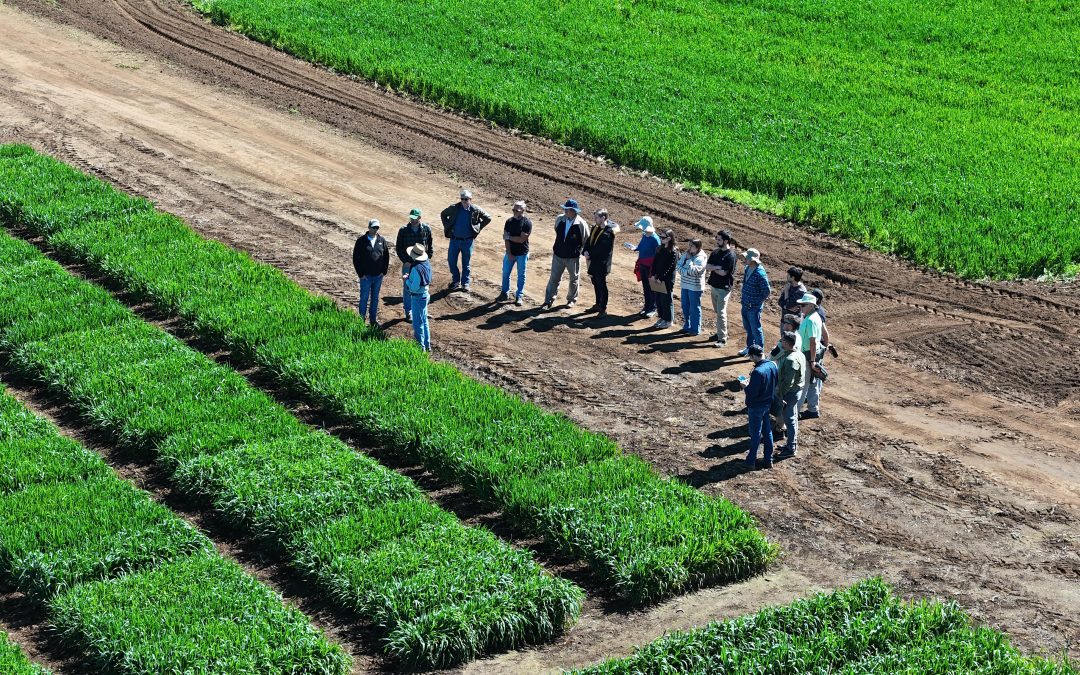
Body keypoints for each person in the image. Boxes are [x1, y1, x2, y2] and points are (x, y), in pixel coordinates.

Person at [440, 189, 491, 292]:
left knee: (466, 263)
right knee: (451, 261)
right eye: (462, 199)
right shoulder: (454, 208)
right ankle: (456, 281)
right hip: (454, 240)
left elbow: (488, 218)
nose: (464, 201)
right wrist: (447, 226)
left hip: (468, 241)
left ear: (470, 199)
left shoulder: (475, 209)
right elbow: (443, 214)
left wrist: (478, 228)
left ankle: (465, 283)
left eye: (466, 199)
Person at [542, 199, 590, 309]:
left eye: (567, 209)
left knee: (574, 279)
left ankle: (571, 300)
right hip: (558, 255)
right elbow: (556, 231)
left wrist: (578, 251)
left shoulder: (581, 224)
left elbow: (586, 239)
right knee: (554, 278)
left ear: (573, 211)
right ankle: (548, 300)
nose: (565, 211)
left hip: (573, 258)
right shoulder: (560, 219)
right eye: (565, 209)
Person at [740, 345, 778, 469]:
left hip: (756, 406)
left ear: (754, 356)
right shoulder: (773, 365)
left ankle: (751, 461)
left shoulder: (757, 371)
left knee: (755, 434)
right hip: (768, 404)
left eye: (750, 357)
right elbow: (775, 382)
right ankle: (768, 460)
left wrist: (745, 386)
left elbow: (752, 393)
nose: (750, 359)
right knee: (767, 432)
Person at [396, 208, 434, 321]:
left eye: (415, 217)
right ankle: (409, 312)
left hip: (422, 264)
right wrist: (406, 261)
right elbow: (399, 248)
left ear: (419, 217)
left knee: (424, 286)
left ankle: (422, 311)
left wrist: (427, 259)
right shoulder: (403, 230)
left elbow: (430, 245)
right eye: (411, 217)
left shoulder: (426, 229)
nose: (412, 220)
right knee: (408, 288)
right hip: (408, 264)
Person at [772, 331, 805, 459]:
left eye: (782, 341)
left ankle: (791, 448)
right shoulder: (798, 354)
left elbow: (788, 383)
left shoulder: (791, 359)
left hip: (789, 393)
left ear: (786, 343)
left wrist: (780, 396)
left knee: (789, 420)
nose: (780, 342)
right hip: (796, 391)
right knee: (793, 418)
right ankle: (791, 445)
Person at [352, 219, 390, 327]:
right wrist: (361, 274)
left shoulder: (381, 240)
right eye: (374, 227)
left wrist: (384, 271)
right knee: (364, 298)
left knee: (375, 298)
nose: (375, 230)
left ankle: (373, 320)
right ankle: (361, 320)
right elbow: (356, 259)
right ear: (368, 227)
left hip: (378, 276)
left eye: (377, 228)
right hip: (366, 277)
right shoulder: (361, 241)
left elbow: (386, 256)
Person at [704, 230, 737, 347]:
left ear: (726, 241)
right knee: (718, 312)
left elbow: (724, 273)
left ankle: (722, 338)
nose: (717, 241)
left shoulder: (731, 255)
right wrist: (716, 268)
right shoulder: (715, 252)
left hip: (724, 288)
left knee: (721, 313)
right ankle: (720, 332)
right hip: (714, 285)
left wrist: (714, 268)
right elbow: (707, 267)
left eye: (719, 239)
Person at [584, 208, 619, 315]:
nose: (595, 219)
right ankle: (598, 304)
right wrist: (585, 250)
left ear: (603, 218)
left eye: (596, 218)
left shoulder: (609, 232)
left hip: (601, 264)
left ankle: (603, 308)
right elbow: (589, 241)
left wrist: (589, 254)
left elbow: (601, 248)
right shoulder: (595, 228)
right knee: (595, 283)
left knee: (601, 285)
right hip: (593, 261)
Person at [624, 216, 661, 317]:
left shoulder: (655, 239)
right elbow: (640, 246)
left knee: (652, 288)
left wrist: (655, 270)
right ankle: (647, 306)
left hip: (651, 267)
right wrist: (635, 248)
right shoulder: (645, 235)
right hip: (643, 265)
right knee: (645, 287)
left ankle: (652, 308)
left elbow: (658, 255)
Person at [738, 248, 771, 356]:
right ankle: (750, 348)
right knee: (748, 328)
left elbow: (766, 291)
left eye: (746, 257)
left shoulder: (760, 273)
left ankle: (759, 352)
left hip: (754, 307)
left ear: (752, 260)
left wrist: (756, 302)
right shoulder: (747, 268)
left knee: (756, 330)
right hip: (745, 304)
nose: (744, 259)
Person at [498, 200, 532, 305]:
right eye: (513, 209)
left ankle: (519, 296)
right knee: (505, 273)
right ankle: (504, 293)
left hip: (522, 253)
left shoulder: (527, 223)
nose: (514, 211)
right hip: (510, 252)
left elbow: (522, 239)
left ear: (523, 210)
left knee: (521, 275)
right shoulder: (509, 222)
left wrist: (509, 237)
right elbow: (506, 238)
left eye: (516, 209)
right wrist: (509, 253)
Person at [796, 292, 824, 420]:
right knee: (812, 384)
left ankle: (794, 412)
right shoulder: (813, 316)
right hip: (812, 354)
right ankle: (813, 409)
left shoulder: (811, 319)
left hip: (809, 355)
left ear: (812, 306)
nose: (800, 307)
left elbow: (812, 341)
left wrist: (812, 361)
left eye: (803, 305)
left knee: (804, 384)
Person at [403, 243, 433, 351]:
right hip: (425, 295)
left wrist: (407, 280)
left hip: (418, 297)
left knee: (417, 324)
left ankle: (420, 348)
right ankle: (427, 345)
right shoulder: (426, 263)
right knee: (424, 321)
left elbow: (414, 287)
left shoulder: (415, 268)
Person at [676, 238, 707, 335]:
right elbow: (678, 266)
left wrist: (688, 261)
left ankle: (695, 329)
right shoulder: (686, 254)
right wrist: (686, 272)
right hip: (685, 284)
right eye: (689, 245)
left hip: (695, 287)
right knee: (685, 306)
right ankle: (687, 326)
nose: (689, 248)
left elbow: (695, 272)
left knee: (694, 308)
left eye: (691, 246)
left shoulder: (701, 257)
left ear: (698, 248)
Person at [649, 229, 678, 328]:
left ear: (669, 238)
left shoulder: (673, 251)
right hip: (658, 279)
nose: (661, 239)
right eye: (660, 236)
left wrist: (660, 278)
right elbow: (655, 263)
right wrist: (653, 274)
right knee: (659, 300)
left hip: (667, 280)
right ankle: (662, 317)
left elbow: (670, 267)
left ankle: (668, 320)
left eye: (663, 237)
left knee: (666, 300)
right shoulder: (659, 248)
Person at [776, 266, 807, 331]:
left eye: (788, 275)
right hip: (784, 320)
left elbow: (787, 305)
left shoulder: (800, 291)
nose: (786, 276)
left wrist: (786, 292)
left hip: (793, 324)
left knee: (790, 340)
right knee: (783, 340)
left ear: (793, 278)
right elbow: (780, 301)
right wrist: (786, 306)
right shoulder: (789, 285)